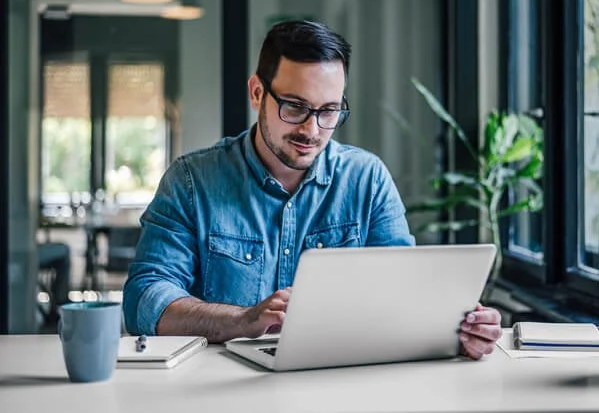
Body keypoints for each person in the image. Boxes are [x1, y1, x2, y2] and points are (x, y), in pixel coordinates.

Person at [122, 20, 502, 359]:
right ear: (257, 93)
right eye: (295, 107)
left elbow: (405, 296)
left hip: (338, 387)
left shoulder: (366, 179)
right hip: (219, 393)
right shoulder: (192, 181)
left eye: (329, 111)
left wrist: (462, 332)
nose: (312, 129)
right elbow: (144, 300)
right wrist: (243, 320)